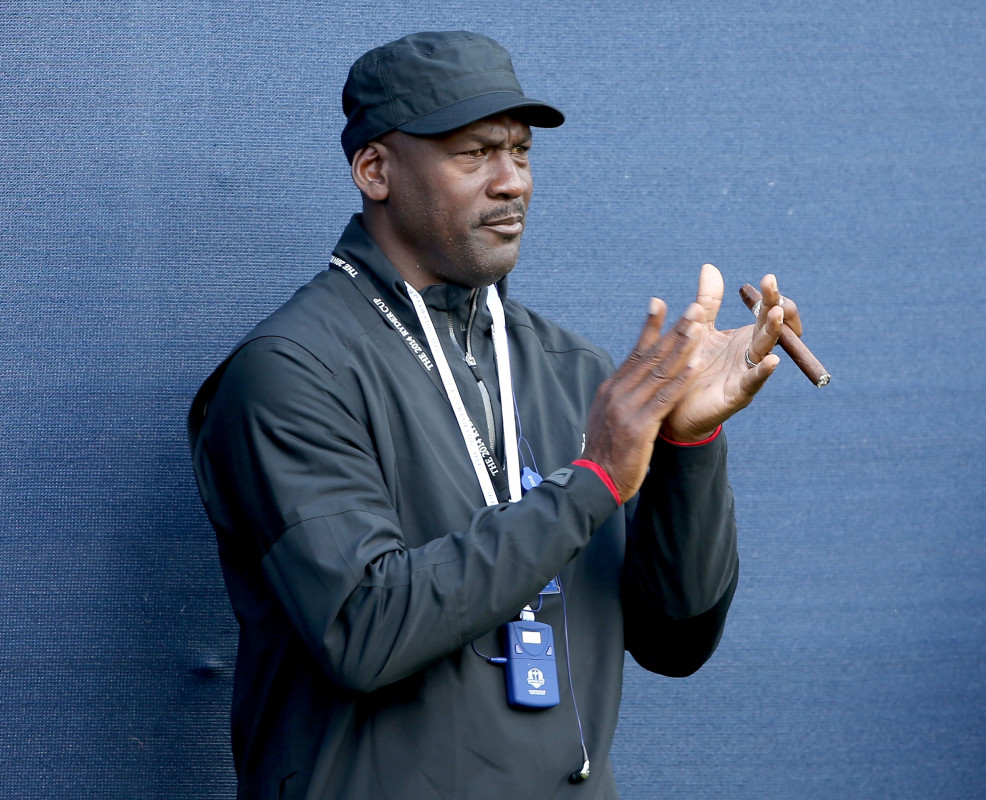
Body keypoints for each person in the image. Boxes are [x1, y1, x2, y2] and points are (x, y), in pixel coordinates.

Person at [188, 30, 802, 800]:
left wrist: (687, 443)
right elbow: (363, 629)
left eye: (520, 151)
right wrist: (590, 483)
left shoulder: (568, 367)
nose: (511, 181)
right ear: (376, 170)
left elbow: (676, 639)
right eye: (473, 154)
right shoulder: (291, 370)